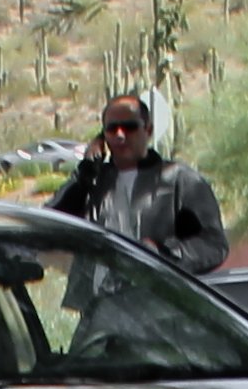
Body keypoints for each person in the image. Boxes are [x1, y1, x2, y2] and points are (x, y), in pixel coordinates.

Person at [46, 92, 227, 273]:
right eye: (111, 128)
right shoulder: (92, 182)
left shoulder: (180, 180)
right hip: (95, 300)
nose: (120, 135)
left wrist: (162, 255)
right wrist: (84, 174)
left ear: (148, 130)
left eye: (129, 127)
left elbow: (213, 245)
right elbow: (48, 226)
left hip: (154, 296)